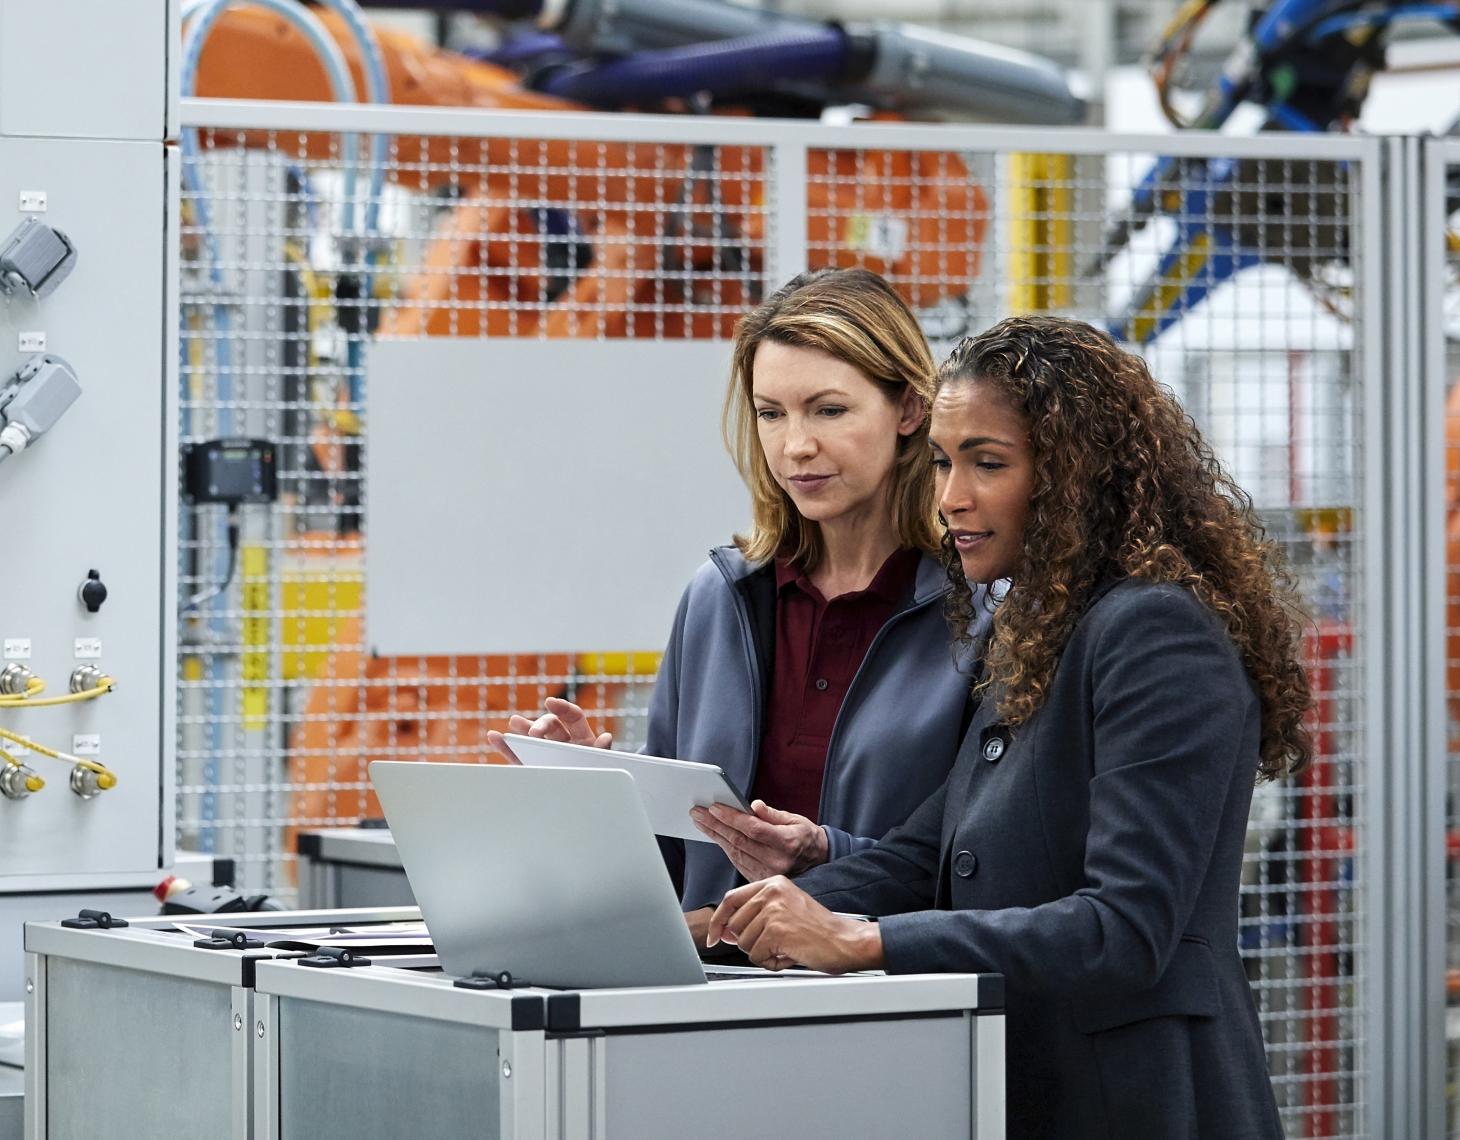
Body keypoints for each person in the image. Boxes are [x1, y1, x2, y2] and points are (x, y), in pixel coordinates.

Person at [706, 315, 1310, 1138]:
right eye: (947, 462)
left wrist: (864, 942)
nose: (951, 496)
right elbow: (929, 855)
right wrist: (723, 927)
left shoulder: (1156, 632)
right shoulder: (1046, 629)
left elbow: (1125, 928)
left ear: (1075, 477)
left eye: (989, 464)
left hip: (1143, 1102)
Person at [488, 267, 984, 918]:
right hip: (714, 1003)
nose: (795, 446)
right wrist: (602, 795)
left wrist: (827, 858)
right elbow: (669, 868)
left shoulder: (982, 611)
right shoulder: (717, 600)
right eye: (771, 414)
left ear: (911, 409)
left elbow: (992, 868)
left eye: (828, 410)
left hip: (899, 1001)